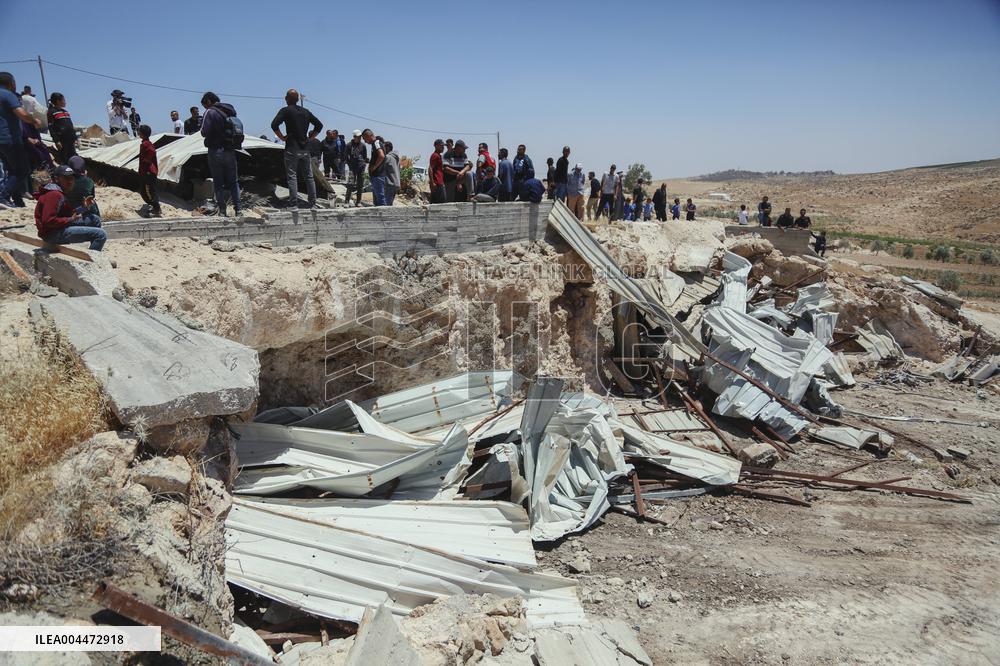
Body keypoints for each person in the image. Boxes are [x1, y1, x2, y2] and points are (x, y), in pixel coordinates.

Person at [34, 165, 106, 251]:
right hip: (52, 234)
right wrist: (70, 219)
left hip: (58, 228)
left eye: (72, 178)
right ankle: (93, 260)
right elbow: (48, 221)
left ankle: (93, 252)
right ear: (57, 179)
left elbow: (66, 214)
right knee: (101, 235)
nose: (70, 181)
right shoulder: (54, 195)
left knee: (95, 219)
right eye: (66, 178)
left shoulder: (59, 192)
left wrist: (84, 207)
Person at [271, 89, 323, 208]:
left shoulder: (285, 110)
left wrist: (282, 138)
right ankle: (312, 203)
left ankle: (293, 204)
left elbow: (274, 125)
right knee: (309, 177)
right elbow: (319, 125)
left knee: (292, 176)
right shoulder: (306, 111)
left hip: (291, 147)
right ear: (298, 99)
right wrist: (311, 137)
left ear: (286, 99)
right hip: (305, 148)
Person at [0, 72, 40, 208]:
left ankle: (17, 201)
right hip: (10, 139)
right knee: (22, 170)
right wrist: (34, 120)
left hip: (2, 141)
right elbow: (21, 113)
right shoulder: (8, 95)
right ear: (12, 83)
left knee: (12, 171)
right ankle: (2, 195)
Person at [200, 91, 242, 216]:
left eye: (204, 105)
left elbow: (204, 132)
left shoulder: (210, 111)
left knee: (218, 182)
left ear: (208, 101)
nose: (205, 108)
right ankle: (238, 210)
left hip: (215, 150)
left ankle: (222, 211)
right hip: (230, 150)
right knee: (234, 182)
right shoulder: (229, 111)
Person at [136, 124, 162, 218]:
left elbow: (152, 152)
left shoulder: (146, 144)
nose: (138, 132)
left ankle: (156, 209)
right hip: (146, 171)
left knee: (150, 191)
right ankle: (155, 206)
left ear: (142, 133)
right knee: (145, 190)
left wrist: (146, 164)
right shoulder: (146, 142)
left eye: (139, 131)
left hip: (148, 171)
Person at [66, 155, 100, 226]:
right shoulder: (88, 181)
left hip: (69, 213)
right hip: (83, 213)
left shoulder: (65, 180)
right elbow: (91, 196)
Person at [46, 93, 76, 164]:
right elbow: (51, 127)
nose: (65, 102)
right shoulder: (51, 112)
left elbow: (70, 125)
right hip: (62, 140)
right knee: (65, 158)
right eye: (63, 100)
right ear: (58, 101)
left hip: (70, 139)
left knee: (73, 157)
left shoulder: (66, 112)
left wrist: (74, 137)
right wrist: (56, 141)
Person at [362, 129, 388, 206]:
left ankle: (384, 216)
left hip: (378, 175)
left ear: (369, 136)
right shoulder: (375, 144)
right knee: (377, 200)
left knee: (380, 199)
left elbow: (381, 156)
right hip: (376, 176)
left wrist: (374, 167)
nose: (365, 141)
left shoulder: (376, 143)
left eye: (364, 138)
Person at [347, 129, 368, 206]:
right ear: (354, 137)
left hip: (361, 167)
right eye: (358, 137)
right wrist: (350, 165)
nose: (359, 138)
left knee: (360, 184)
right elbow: (346, 157)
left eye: (360, 137)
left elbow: (365, 156)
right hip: (352, 168)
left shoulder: (363, 145)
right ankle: (346, 201)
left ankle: (358, 201)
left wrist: (363, 164)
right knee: (350, 184)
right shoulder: (349, 145)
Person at [428, 138, 446, 203]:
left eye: (443, 146)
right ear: (436, 146)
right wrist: (432, 183)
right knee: (439, 203)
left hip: (439, 183)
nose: (443, 147)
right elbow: (430, 168)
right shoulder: (435, 155)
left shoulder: (439, 156)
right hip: (437, 183)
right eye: (441, 146)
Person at [384, 140, 401, 206]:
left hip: (389, 183)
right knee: (389, 203)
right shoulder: (397, 158)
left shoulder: (388, 157)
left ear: (387, 148)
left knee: (386, 205)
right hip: (396, 183)